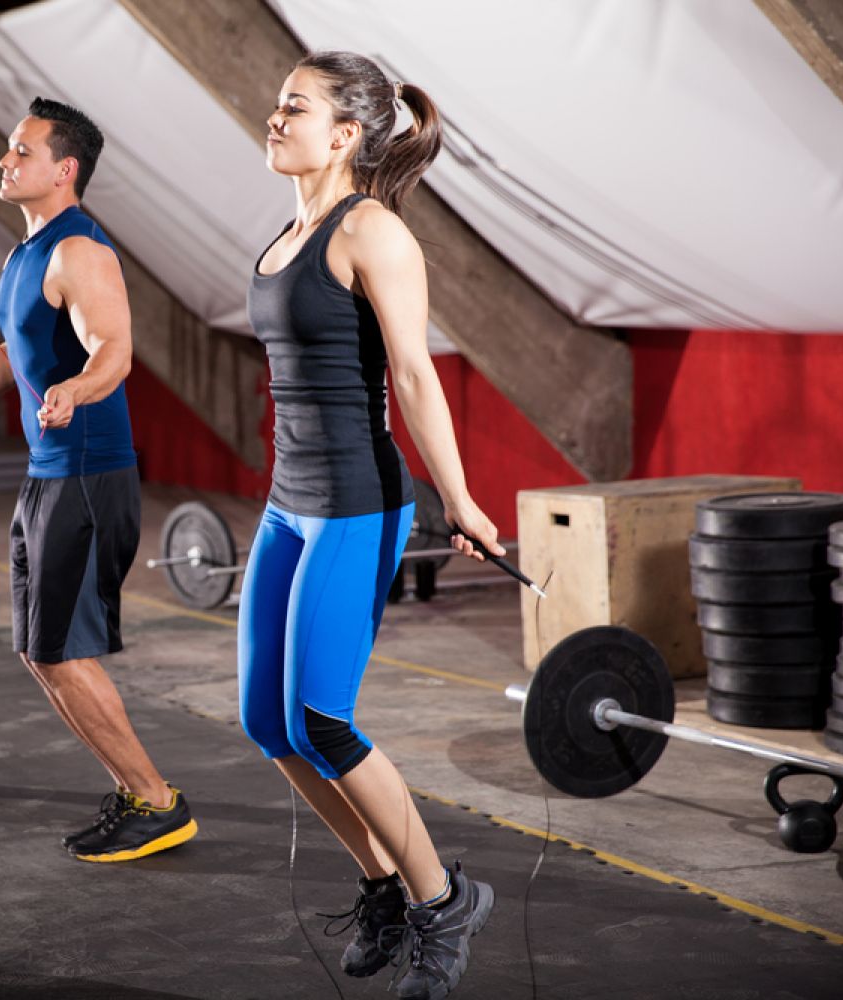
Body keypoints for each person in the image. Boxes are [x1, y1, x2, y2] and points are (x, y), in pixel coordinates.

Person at [242, 53, 499, 998]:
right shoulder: (290, 227)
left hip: (356, 502)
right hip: (286, 506)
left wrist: (461, 500)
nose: (274, 119)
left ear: (346, 134)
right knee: (267, 722)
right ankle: (381, 885)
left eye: (293, 108)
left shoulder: (375, 234)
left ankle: (443, 902)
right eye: (277, 104)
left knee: (323, 720)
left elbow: (416, 378)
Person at [0, 98, 196, 862]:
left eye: (20, 152)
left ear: (64, 170)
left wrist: (76, 390)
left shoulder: (81, 253)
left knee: (58, 650)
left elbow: (113, 351)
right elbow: (11, 357)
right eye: (6, 150)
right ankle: (139, 795)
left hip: (87, 476)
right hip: (46, 478)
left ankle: (157, 802)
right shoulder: (25, 255)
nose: (4, 161)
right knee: (39, 651)